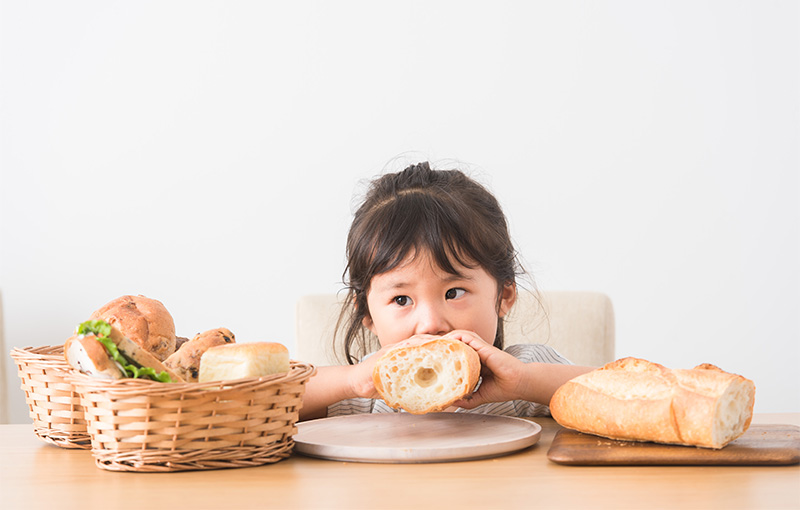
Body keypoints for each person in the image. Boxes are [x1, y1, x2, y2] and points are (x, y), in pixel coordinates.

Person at [299, 161, 594, 421]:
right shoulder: (367, 388)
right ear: (368, 314)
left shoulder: (522, 375)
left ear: (504, 296)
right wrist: (350, 381)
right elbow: (264, 402)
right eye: (401, 299)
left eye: (454, 293)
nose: (430, 324)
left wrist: (526, 382)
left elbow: (621, 396)